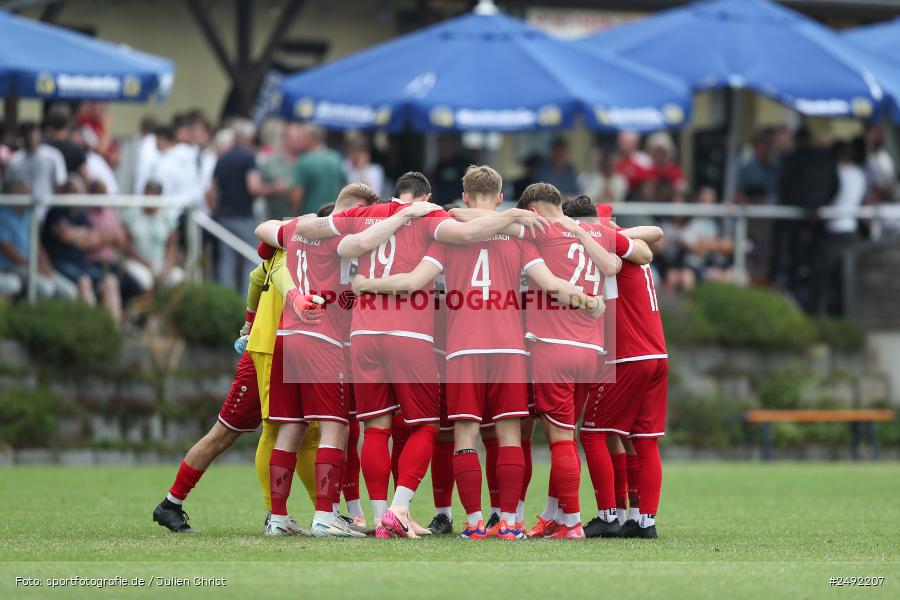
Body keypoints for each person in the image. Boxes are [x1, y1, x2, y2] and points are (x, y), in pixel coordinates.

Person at [286, 171, 545, 538]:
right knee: (427, 425)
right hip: (414, 333)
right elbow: (466, 237)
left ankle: (380, 519)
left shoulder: (368, 214)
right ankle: (402, 508)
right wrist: (516, 217)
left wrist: (359, 277)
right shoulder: (431, 217)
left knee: (376, 427)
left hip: (363, 332)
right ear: (426, 197)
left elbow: (320, 237)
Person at [353, 167, 604, 541]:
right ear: (501, 197)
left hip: (462, 348)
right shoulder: (521, 236)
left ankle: (472, 523)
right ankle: (509, 522)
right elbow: (551, 285)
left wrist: (365, 284)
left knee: (465, 435)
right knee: (508, 436)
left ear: (466, 197)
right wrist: (589, 301)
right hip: (508, 346)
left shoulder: (450, 235)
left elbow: (412, 281)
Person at [254, 183, 431, 537]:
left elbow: (262, 228)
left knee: (291, 427)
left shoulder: (301, 228)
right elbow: (363, 243)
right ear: (360, 208)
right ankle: (325, 515)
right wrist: (405, 214)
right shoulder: (336, 238)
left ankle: (277, 518)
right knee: (337, 427)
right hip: (323, 336)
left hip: (288, 337)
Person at [153, 243, 322, 533]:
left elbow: (257, 277)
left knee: (305, 431)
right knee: (240, 433)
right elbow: (271, 272)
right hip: (266, 353)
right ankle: (173, 504)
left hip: (279, 351)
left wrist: (248, 322)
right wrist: (253, 324)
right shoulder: (299, 251)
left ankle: (325, 514)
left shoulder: (296, 248)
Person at [516, 184, 650, 540]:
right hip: (592, 350)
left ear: (534, 209)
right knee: (569, 437)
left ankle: (571, 522)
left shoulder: (538, 232)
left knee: (559, 439)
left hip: (553, 345)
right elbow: (629, 256)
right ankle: (556, 515)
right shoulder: (596, 231)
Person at [569, 200, 668, 539]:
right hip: (657, 354)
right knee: (642, 440)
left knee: (592, 434)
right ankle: (644, 522)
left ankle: (608, 515)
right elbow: (655, 234)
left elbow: (653, 237)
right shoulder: (625, 245)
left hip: (627, 355)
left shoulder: (609, 244)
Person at [208, 119, 282, 294]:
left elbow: (210, 192)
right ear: (249, 137)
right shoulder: (248, 157)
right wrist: (274, 188)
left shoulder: (222, 158)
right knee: (251, 260)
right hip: (244, 216)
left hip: (224, 218)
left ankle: (226, 303)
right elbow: (254, 188)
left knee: (227, 262)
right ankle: (246, 305)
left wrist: (217, 211)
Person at [41, 178, 121, 315]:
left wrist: (76, 234)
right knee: (84, 281)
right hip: (60, 263)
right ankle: (89, 326)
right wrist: (83, 235)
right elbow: (64, 235)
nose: (75, 196)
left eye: (77, 192)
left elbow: (91, 239)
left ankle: (113, 328)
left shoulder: (81, 215)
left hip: (81, 264)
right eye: (71, 192)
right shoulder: (55, 212)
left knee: (110, 280)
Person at [0, 178, 77, 300]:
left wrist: (46, 264)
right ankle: (29, 315)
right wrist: (33, 265)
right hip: (12, 265)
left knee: (69, 291)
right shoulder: (3, 215)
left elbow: (37, 245)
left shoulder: (29, 215)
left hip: (32, 264)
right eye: (26, 193)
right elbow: (7, 249)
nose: (30, 196)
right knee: (45, 288)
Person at [122, 182, 185, 292]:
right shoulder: (132, 215)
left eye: (153, 193)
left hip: (160, 264)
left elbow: (171, 245)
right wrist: (144, 262)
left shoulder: (166, 218)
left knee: (179, 277)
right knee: (145, 280)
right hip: (137, 262)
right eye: (147, 193)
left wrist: (167, 266)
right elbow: (125, 243)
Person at [290, 124, 346, 215]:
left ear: (311, 139)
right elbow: (345, 187)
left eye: (304, 137)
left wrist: (296, 215)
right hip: (332, 216)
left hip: (310, 216)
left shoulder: (304, 161)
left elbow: (297, 196)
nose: (301, 141)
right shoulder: (336, 157)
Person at [6, 122, 66, 200]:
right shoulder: (15, 159)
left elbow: (60, 182)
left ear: (39, 134)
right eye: (27, 134)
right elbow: (8, 185)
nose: (31, 138)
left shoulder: (53, 155)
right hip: (22, 209)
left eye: (33, 134)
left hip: (48, 208)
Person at [258, 123, 303, 220]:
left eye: (300, 138)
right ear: (285, 138)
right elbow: (257, 189)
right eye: (294, 137)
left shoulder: (307, 163)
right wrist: (274, 188)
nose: (297, 141)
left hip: (301, 222)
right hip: (275, 219)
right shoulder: (271, 162)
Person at [43, 105, 87, 177]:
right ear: (68, 124)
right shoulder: (77, 150)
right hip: (70, 187)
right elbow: (85, 174)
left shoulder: (42, 148)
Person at [428, 135, 469, 205]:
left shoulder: (462, 164)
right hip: (441, 205)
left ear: (452, 145)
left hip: (459, 205)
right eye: (441, 146)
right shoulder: (438, 165)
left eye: (446, 145)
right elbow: (433, 185)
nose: (443, 148)